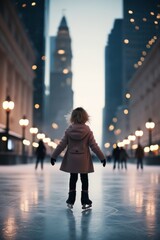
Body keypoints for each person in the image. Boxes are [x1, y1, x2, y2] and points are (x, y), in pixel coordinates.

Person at [50, 107, 106, 209]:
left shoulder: (69, 131)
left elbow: (61, 145)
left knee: (73, 178)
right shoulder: (88, 131)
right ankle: (85, 200)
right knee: (84, 179)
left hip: (72, 159)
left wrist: (54, 156)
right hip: (83, 159)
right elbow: (94, 146)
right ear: (85, 118)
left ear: (72, 117)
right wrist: (102, 158)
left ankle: (70, 200)